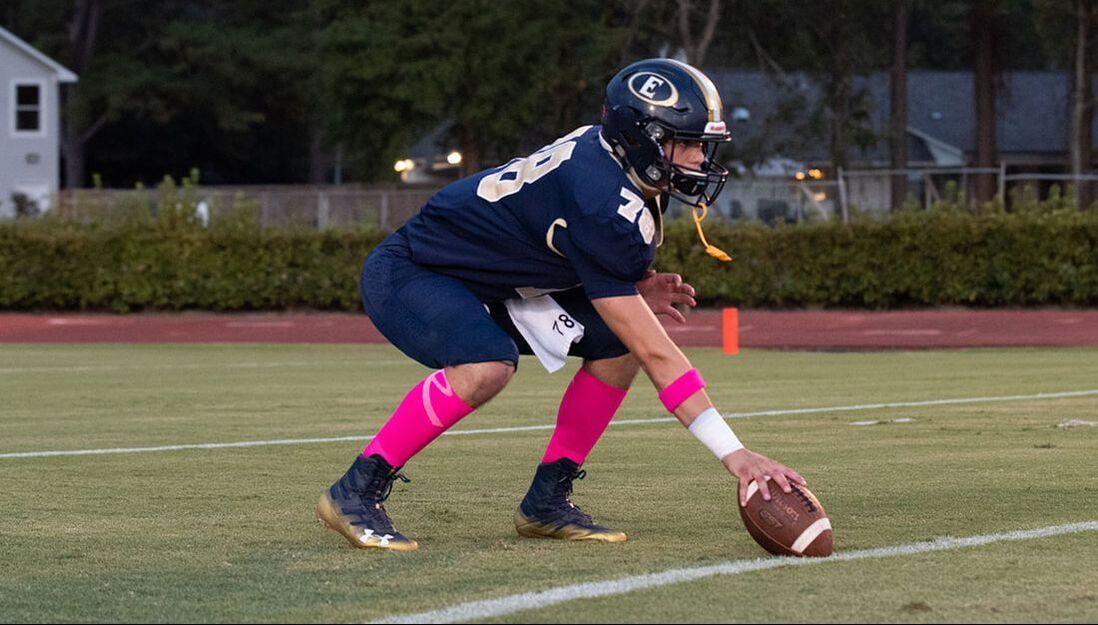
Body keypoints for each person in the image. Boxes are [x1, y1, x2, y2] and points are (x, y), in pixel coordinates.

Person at [316, 58, 806, 552]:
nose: (699, 159)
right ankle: (356, 489)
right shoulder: (602, 198)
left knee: (620, 344)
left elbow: (568, 254)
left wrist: (628, 292)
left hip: (499, 281)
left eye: (703, 144)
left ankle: (547, 501)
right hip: (418, 271)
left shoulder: (617, 164)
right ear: (639, 138)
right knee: (487, 363)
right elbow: (661, 355)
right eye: (688, 142)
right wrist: (735, 454)